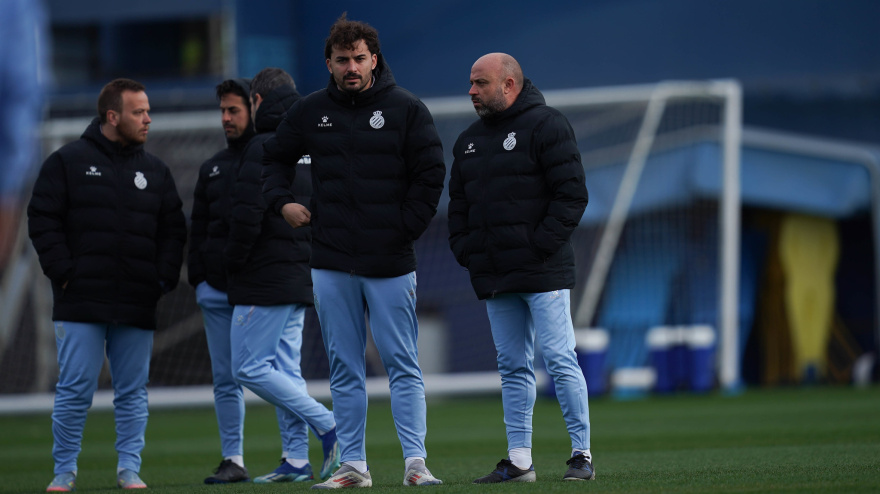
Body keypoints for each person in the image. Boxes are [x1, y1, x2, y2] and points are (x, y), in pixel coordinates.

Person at [262, 13, 446, 489]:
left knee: (402, 363)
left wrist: (402, 230)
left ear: (374, 60)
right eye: (342, 60)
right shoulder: (309, 111)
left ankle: (416, 465)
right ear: (329, 63)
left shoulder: (406, 108)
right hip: (330, 260)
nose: (351, 67)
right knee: (344, 368)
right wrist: (282, 202)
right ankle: (353, 466)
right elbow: (273, 158)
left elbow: (430, 175)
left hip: (390, 261)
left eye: (359, 59)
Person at [27, 78, 187, 492]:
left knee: (132, 391)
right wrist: (64, 272)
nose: (148, 119)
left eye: (148, 111)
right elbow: (42, 218)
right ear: (112, 116)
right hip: (80, 299)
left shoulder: (156, 171)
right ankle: (64, 471)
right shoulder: (66, 162)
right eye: (139, 112)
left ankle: (129, 469)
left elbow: (173, 230)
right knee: (75, 388)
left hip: (137, 299)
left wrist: (161, 279)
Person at [447, 53, 595, 483]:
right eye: (471, 83)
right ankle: (519, 461)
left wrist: (539, 247)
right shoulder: (469, 141)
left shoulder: (548, 125)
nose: (471, 91)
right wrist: (467, 251)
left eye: (480, 83)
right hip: (495, 274)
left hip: (543, 270)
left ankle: (581, 455)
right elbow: (458, 207)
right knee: (512, 366)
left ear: (508, 85)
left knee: (559, 359)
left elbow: (572, 195)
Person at [224, 67, 340, 484]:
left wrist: (230, 264)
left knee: (247, 367)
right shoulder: (311, 142)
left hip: (264, 276)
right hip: (301, 272)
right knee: (287, 371)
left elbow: (246, 216)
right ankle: (295, 459)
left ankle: (328, 424)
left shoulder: (261, 146)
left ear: (256, 101)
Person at [188, 78, 258, 484]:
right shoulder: (211, 167)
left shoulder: (271, 159)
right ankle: (233, 459)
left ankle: (296, 457)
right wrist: (199, 279)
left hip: (260, 290)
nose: (226, 118)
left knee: (276, 373)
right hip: (215, 290)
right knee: (225, 378)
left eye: (234, 110)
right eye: (223, 111)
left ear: (253, 109)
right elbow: (198, 228)